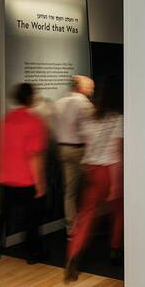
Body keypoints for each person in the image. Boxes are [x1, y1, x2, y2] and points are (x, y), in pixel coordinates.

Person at [0, 83, 48, 281]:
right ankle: (33, 253)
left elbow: (1, 150)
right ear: (31, 98)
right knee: (33, 218)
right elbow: (34, 156)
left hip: (3, 179)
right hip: (25, 181)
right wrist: (40, 184)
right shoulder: (34, 122)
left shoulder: (6, 120)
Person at [65, 76, 124, 282]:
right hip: (109, 171)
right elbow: (118, 153)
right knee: (119, 211)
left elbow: (86, 144)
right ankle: (115, 250)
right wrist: (116, 185)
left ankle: (73, 258)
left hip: (91, 169)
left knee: (85, 215)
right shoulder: (118, 119)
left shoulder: (91, 117)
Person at [53, 75, 95, 236]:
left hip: (63, 149)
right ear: (81, 87)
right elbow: (90, 131)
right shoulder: (85, 105)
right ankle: (86, 226)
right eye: (90, 87)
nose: (91, 90)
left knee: (69, 192)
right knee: (88, 189)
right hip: (81, 151)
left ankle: (71, 228)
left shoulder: (58, 104)